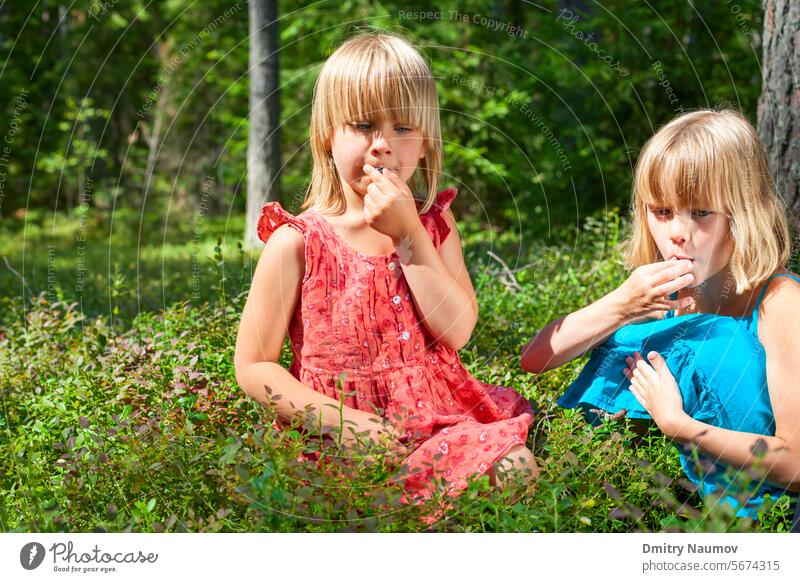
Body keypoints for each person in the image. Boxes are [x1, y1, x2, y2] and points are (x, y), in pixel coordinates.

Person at [234, 33, 537, 506]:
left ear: (424, 143)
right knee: (355, 506)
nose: (382, 145)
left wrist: (408, 235)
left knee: (516, 468)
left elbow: (456, 331)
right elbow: (253, 365)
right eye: (362, 125)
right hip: (333, 432)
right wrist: (337, 420)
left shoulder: (433, 224)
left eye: (402, 128)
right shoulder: (298, 242)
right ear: (326, 136)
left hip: (434, 418)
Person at [520, 109, 800, 518]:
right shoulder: (663, 295)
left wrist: (680, 425)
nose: (676, 233)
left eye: (700, 212)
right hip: (667, 505)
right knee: (623, 341)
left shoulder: (780, 301)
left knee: (716, 341)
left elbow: (795, 464)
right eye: (662, 211)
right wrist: (620, 304)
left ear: (743, 212)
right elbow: (537, 360)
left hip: (769, 516)